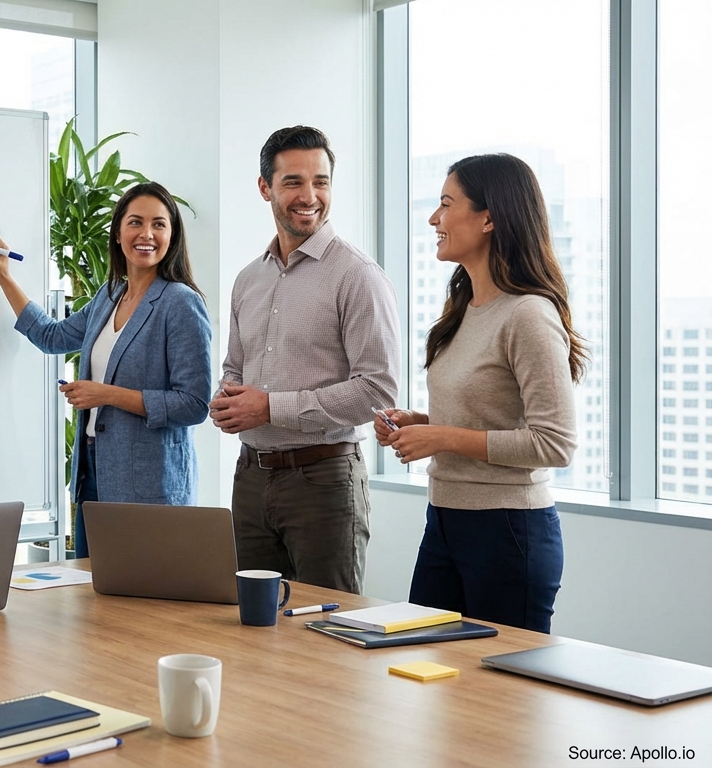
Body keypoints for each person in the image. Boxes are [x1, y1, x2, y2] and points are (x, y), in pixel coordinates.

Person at [377, 153, 583, 634]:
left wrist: (444, 438)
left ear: (488, 218)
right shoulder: (465, 308)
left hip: (509, 531)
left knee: (500, 700)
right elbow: (484, 415)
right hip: (445, 520)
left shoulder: (529, 315)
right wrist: (422, 425)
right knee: (426, 672)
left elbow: (555, 443)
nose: (434, 218)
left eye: (446, 204)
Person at [209, 125, 399, 594]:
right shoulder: (248, 278)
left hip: (325, 482)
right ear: (265, 188)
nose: (309, 195)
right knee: (250, 624)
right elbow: (236, 366)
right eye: (293, 181)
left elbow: (377, 391)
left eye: (321, 181)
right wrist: (228, 399)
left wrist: (270, 406)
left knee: (326, 635)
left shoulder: (358, 276)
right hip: (250, 477)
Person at [0, 181, 212, 557]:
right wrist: (4, 276)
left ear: (173, 235)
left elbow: (193, 404)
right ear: (119, 233)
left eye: (159, 224)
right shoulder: (109, 296)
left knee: (139, 600)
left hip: (149, 484)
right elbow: (51, 337)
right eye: (136, 222)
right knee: (95, 597)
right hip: (93, 470)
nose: (147, 234)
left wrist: (106, 395)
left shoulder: (180, 304)